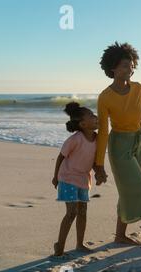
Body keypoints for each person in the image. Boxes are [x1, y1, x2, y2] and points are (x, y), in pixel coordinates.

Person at [94, 42, 141, 252]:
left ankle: (120, 235)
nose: (130, 69)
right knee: (140, 188)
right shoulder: (105, 97)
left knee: (128, 191)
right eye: (125, 65)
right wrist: (99, 164)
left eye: (132, 65)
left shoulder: (138, 88)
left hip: (139, 141)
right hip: (119, 146)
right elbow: (104, 132)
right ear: (113, 68)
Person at [52, 102, 98, 256]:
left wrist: (99, 173)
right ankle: (60, 245)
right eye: (92, 116)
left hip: (84, 180)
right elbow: (61, 156)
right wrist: (55, 177)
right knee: (71, 213)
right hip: (67, 178)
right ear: (83, 124)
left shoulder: (98, 139)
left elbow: (95, 160)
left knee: (83, 212)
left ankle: (80, 244)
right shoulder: (75, 139)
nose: (96, 117)